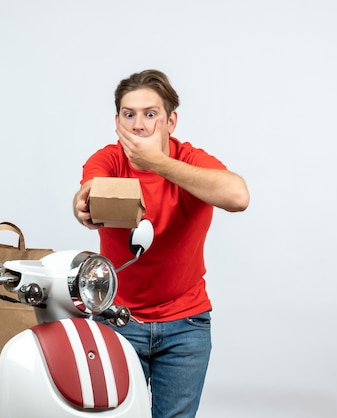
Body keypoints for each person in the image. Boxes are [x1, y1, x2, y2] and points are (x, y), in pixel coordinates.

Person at [73, 69, 249, 418]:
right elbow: (89, 190)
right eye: (129, 114)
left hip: (187, 325)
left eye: (150, 114)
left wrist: (156, 162)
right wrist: (81, 205)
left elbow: (238, 196)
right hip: (117, 320)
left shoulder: (190, 160)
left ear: (171, 121)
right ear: (117, 121)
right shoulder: (108, 160)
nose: (139, 125)